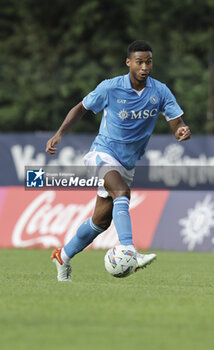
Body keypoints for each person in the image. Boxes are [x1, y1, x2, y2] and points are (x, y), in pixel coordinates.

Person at [46, 40, 191, 282]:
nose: (145, 66)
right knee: (121, 192)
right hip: (101, 153)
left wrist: (182, 131)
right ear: (129, 63)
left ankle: (63, 256)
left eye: (149, 61)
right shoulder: (110, 88)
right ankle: (129, 250)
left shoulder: (160, 91)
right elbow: (81, 107)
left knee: (100, 222)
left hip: (127, 163)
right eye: (139, 62)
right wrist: (60, 133)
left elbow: (177, 124)